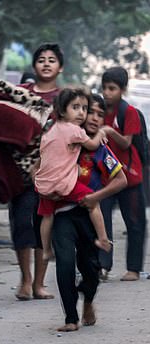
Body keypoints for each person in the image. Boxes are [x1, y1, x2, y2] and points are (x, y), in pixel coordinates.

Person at [52, 93, 127, 331]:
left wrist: (95, 196)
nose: (93, 118)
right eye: (89, 112)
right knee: (64, 262)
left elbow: (121, 180)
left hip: (89, 214)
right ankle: (70, 318)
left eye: (99, 114)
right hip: (63, 212)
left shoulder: (100, 149)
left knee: (91, 270)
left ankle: (89, 299)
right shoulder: (65, 139)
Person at [8, 43, 63, 301]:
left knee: (44, 228)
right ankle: (25, 280)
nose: (46, 63)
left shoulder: (65, 99)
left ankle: (40, 283)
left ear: (60, 67)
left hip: (52, 174)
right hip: (20, 172)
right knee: (21, 225)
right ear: (34, 66)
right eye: (41, 59)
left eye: (52, 60)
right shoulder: (20, 93)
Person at [35, 87, 111, 261]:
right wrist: (101, 132)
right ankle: (103, 239)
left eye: (84, 108)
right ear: (62, 110)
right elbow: (92, 145)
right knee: (93, 202)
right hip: (63, 184)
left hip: (44, 185)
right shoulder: (74, 130)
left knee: (47, 216)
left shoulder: (51, 130)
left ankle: (46, 250)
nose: (81, 113)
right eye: (75, 107)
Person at [99, 66, 147, 281]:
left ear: (122, 90)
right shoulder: (98, 112)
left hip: (129, 176)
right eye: (105, 88)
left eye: (112, 88)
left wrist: (110, 131)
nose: (107, 93)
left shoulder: (128, 113)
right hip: (106, 177)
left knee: (135, 222)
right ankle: (103, 266)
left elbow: (127, 141)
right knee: (102, 222)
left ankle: (133, 269)